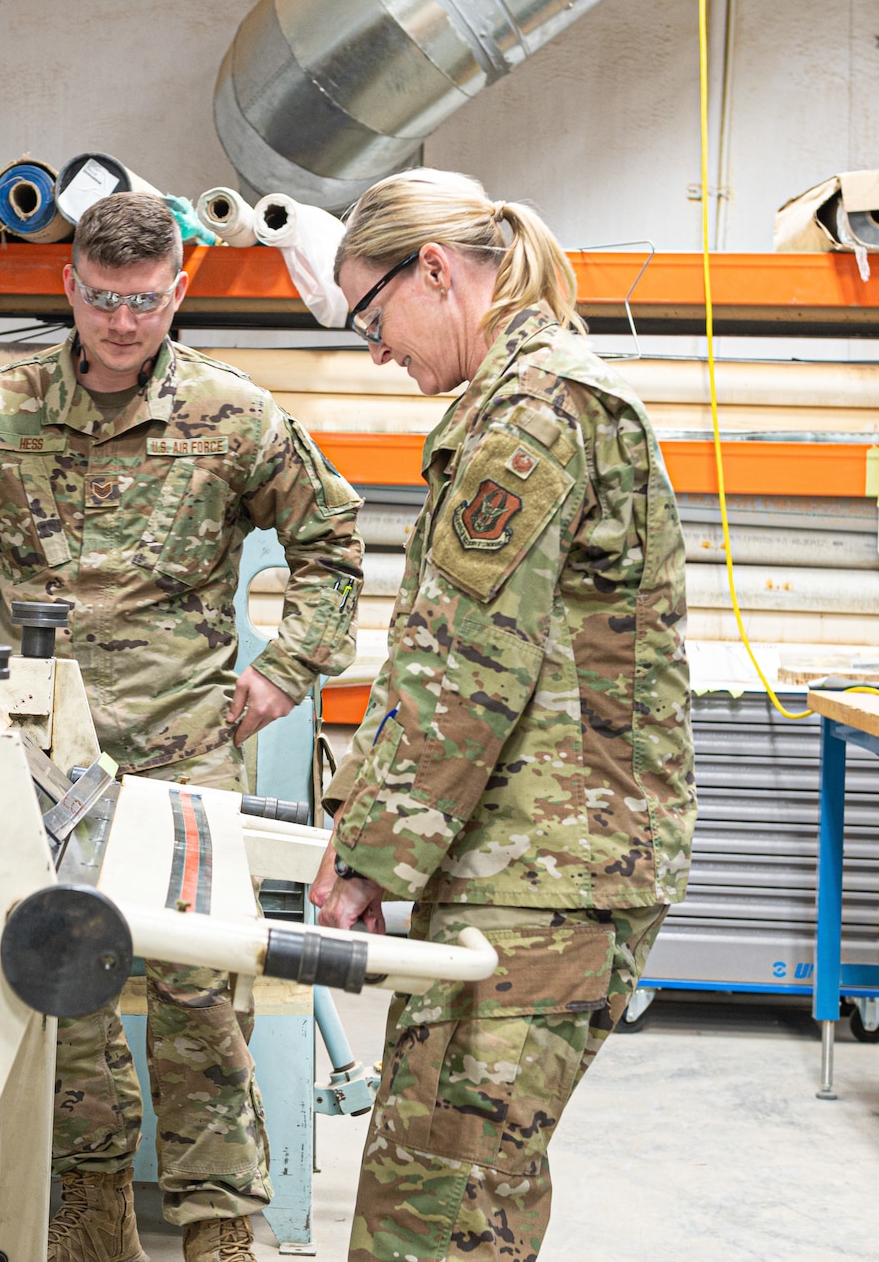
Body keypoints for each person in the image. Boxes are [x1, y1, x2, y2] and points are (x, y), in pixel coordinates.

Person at [0, 192, 365, 1262]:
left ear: (176, 292)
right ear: (70, 287)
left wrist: (287, 666)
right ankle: (88, 1208)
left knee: (199, 987)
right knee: (64, 981)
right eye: (101, 298)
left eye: (144, 302)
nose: (122, 322)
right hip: (41, 756)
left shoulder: (232, 414)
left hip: (186, 748)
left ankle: (218, 1219)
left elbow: (329, 536)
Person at [306, 169, 695, 1262]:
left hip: (548, 873)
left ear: (431, 271)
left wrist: (370, 856)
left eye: (369, 316)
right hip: (528, 860)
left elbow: (468, 663)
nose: (375, 350)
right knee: (447, 1183)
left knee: (437, 1206)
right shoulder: (526, 398)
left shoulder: (532, 413)